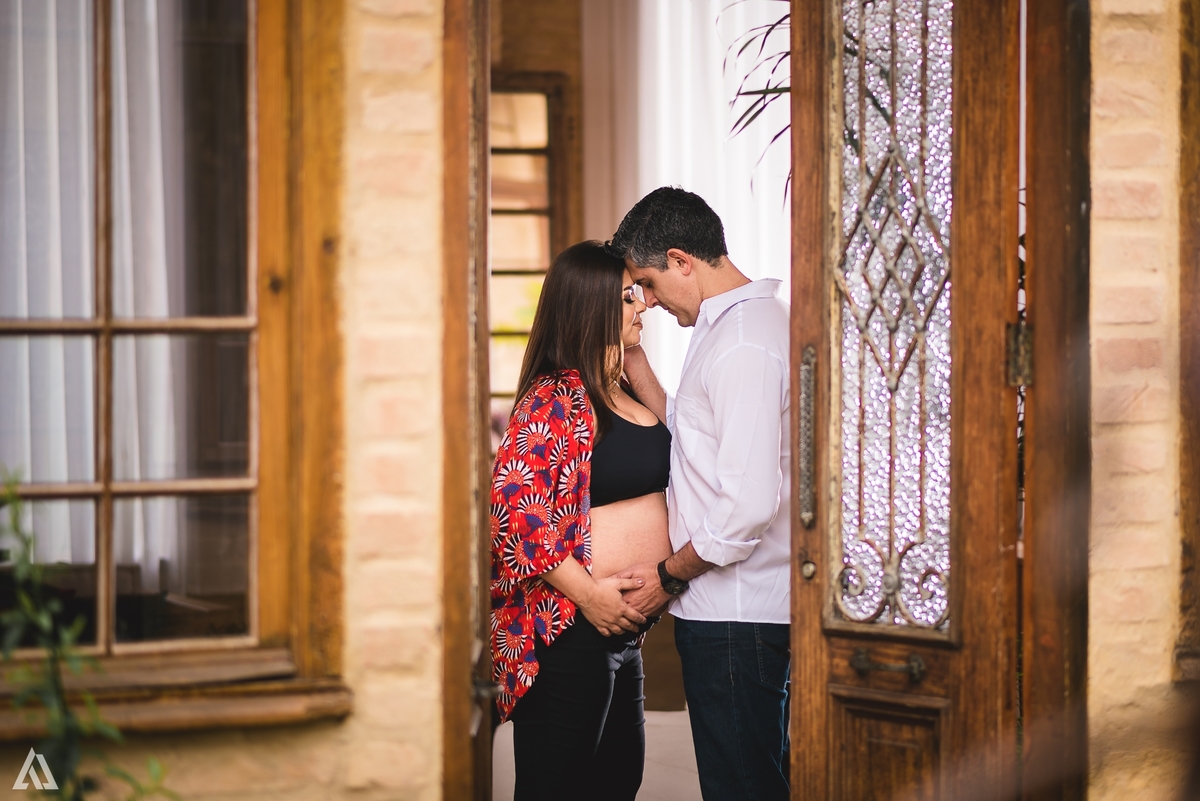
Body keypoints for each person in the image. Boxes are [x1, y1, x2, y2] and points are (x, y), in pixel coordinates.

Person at [608, 187, 792, 801]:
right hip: (723, 613)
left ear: (683, 259)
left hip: (737, 616)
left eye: (650, 284)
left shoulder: (743, 342)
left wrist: (668, 574)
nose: (650, 303)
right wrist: (631, 356)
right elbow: (689, 432)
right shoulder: (729, 328)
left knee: (741, 787)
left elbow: (745, 509)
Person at [490, 240, 674, 801]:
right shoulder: (556, 397)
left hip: (623, 632)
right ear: (591, 306)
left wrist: (631, 354)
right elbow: (512, 515)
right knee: (558, 789)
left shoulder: (618, 388)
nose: (642, 305)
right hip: (571, 628)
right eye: (627, 297)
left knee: (618, 781)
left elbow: (687, 448)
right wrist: (591, 597)